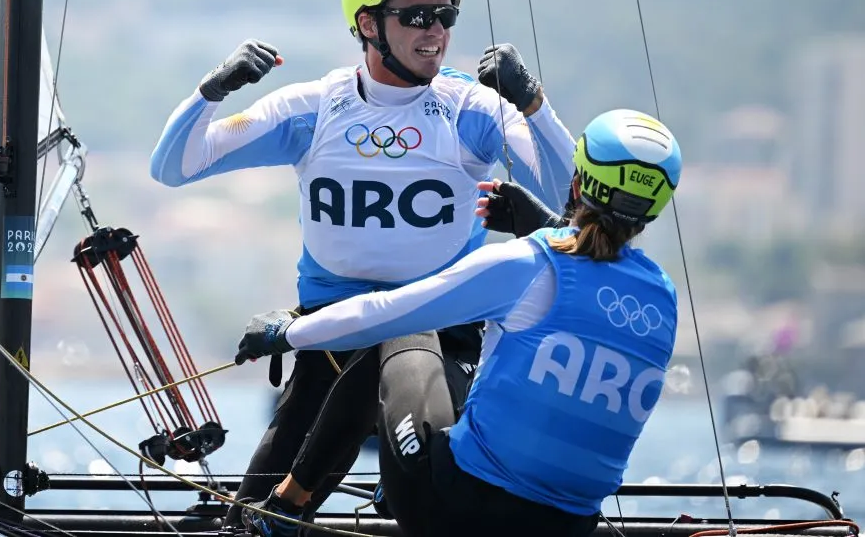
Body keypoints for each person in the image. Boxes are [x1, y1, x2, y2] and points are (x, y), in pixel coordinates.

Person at [149, 0, 576, 529]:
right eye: (418, 16)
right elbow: (174, 166)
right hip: (330, 342)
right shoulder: (312, 109)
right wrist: (210, 92)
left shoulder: (472, 110)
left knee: (395, 377)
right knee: (251, 509)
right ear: (369, 24)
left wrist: (533, 103)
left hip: (439, 344)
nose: (437, 31)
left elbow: (572, 201)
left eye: (446, 16)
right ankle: (269, 515)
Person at [235, 109, 683, 537]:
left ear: (578, 179)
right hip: (566, 530)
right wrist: (546, 224)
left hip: (455, 517)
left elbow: (387, 311)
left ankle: (285, 509)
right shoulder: (662, 297)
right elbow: (588, 283)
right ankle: (381, 494)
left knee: (406, 333)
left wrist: (286, 333)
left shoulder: (528, 262)